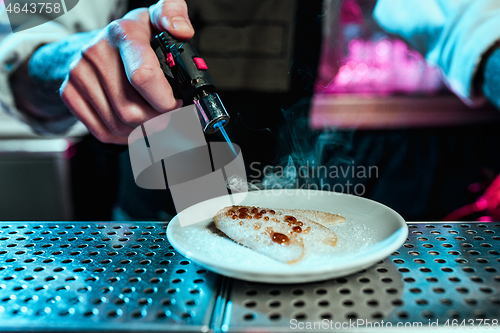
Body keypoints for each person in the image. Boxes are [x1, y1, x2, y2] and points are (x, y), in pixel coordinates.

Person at [1, 0, 500, 221]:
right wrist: (62, 61)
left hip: (286, 188)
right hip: (147, 221)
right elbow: (23, 38)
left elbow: (469, 20)